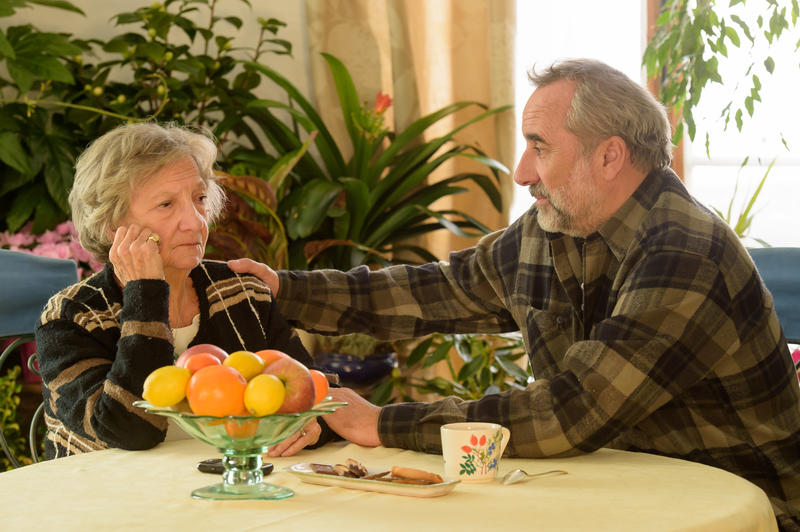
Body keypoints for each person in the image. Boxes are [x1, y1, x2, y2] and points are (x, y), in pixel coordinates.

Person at [229, 58, 800, 529]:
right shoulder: (555, 227)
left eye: (540, 147)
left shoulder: (685, 250)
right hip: (613, 492)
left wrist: (381, 423)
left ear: (609, 155)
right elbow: (435, 290)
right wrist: (281, 289)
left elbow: (570, 412)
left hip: (739, 511)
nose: (522, 172)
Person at [35, 122, 330, 460]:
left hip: (231, 494)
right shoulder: (72, 315)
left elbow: (313, 394)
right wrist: (146, 292)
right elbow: (130, 430)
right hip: (109, 502)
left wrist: (310, 425)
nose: (195, 222)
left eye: (199, 198)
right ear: (112, 225)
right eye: (166, 205)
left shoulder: (242, 292)